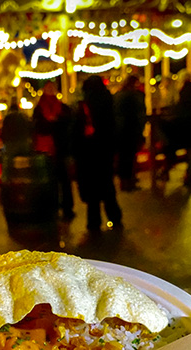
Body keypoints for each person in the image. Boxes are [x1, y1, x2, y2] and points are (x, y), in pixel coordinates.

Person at [72, 75, 123, 233]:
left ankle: (94, 221)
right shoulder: (108, 102)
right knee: (107, 185)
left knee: (93, 188)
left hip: (88, 152)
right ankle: (114, 217)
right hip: (104, 149)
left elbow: (76, 131)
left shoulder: (84, 105)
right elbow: (114, 127)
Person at [33, 81, 74, 220]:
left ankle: (63, 208)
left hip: (57, 149)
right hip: (51, 149)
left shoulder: (60, 108)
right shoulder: (42, 109)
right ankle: (58, 208)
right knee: (56, 180)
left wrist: (54, 122)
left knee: (60, 180)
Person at [163, 69, 191, 191]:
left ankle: (170, 171)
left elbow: (181, 110)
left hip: (184, 126)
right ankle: (190, 176)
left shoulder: (184, 92)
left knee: (174, 147)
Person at [113, 76, 147, 191]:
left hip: (119, 130)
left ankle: (124, 180)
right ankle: (128, 181)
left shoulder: (117, 95)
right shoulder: (133, 96)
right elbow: (138, 114)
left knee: (123, 157)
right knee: (129, 156)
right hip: (130, 129)